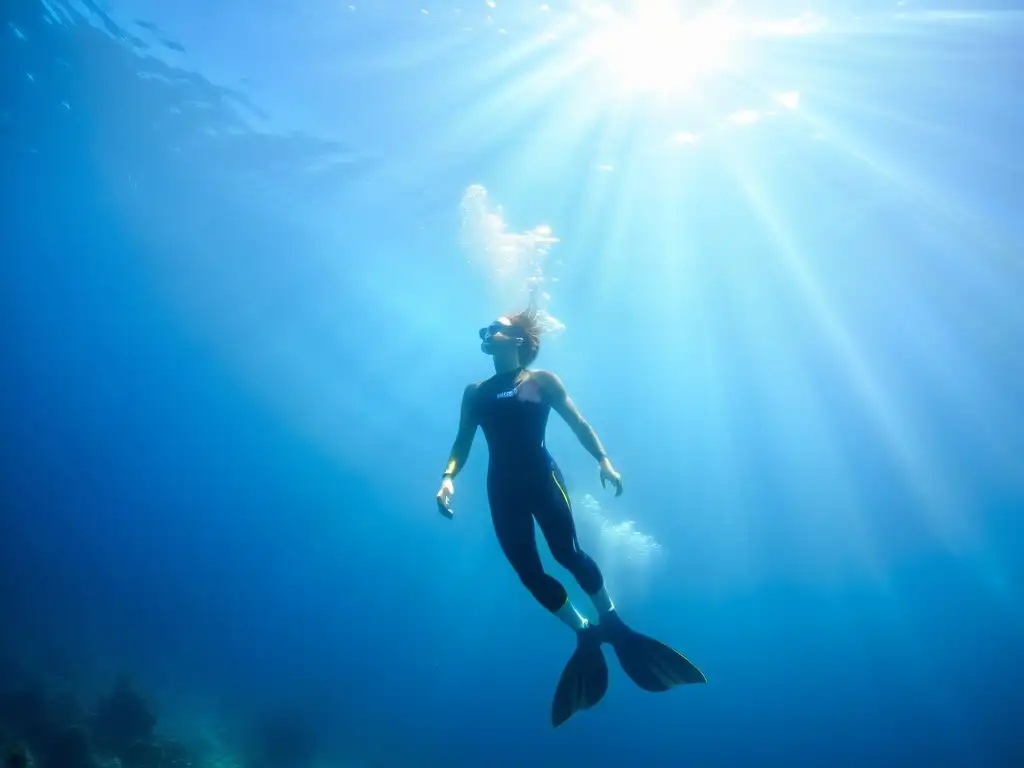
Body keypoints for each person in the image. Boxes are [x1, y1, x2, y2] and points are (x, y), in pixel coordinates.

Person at [436, 308, 706, 727]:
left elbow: (578, 422)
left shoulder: (540, 381)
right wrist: (448, 478)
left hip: (543, 480)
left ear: (518, 340)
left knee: (567, 553)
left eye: (497, 328)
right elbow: (462, 440)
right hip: (502, 488)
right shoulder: (476, 392)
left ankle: (611, 620)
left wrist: (603, 459)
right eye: (486, 329)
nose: (487, 332)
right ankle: (584, 629)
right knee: (528, 572)